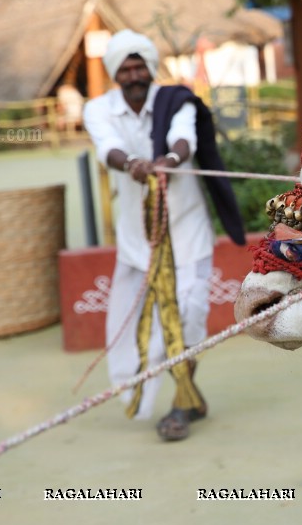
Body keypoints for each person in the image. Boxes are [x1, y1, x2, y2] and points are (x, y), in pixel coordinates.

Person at [83, 29, 245, 442]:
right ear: (115, 73)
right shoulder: (98, 109)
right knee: (133, 324)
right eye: (126, 68)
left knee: (189, 312)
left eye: (140, 67)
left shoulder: (177, 100)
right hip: (138, 239)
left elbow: (183, 137)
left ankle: (181, 401)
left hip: (187, 229)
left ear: (150, 68)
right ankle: (184, 397)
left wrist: (169, 160)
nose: (134, 75)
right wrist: (134, 163)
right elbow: (108, 150)